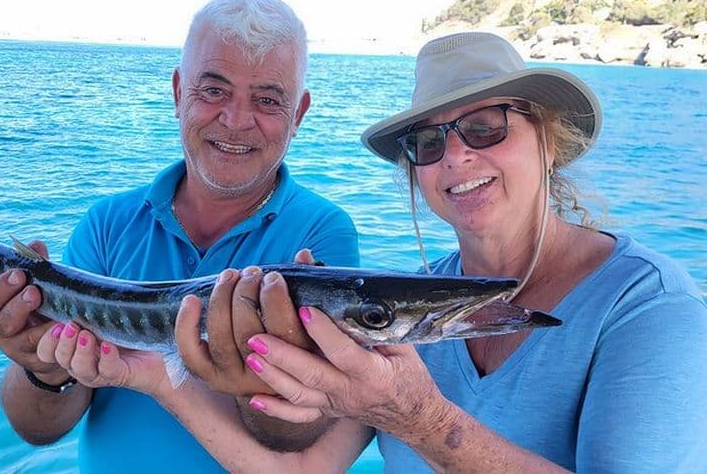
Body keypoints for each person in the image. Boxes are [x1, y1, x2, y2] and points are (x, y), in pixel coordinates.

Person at [45, 31, 707, 472]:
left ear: (548, 138)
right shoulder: (397, 311)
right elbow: (296, 468)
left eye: (486, 126)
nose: (458, 155)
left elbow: (413, 415)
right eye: (429, 141)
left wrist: (418, 417)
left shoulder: (647, 303)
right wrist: (156, 375)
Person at [0, 0, 359, 472]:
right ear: (176, 94)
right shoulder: (107, 224)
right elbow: (38, 428)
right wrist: (43, 368)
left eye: (268, 100)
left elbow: (297, 436)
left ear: (298, 115)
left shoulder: (322, 233)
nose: (235, 120)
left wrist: (265, 375)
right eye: (212, 90)